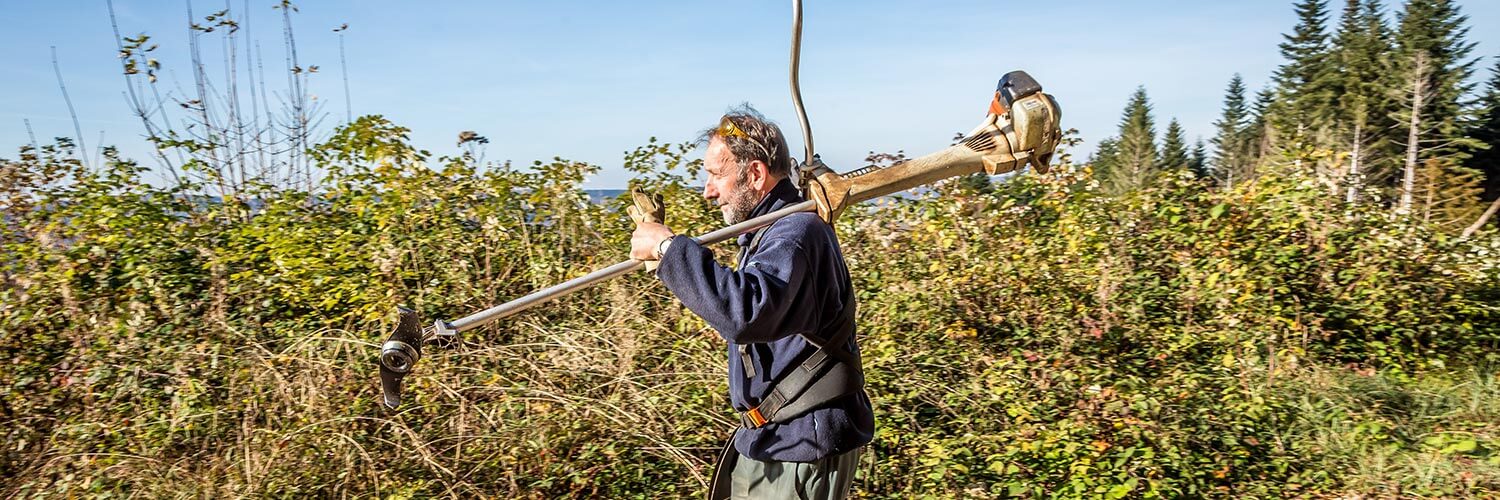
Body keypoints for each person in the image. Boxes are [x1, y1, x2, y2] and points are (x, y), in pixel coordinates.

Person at [630, 106, 874, 499]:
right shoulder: (775, 232)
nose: (708, 191)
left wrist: (668, 247)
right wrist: (670, 257)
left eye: (716, 175)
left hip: (800, 448)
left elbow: (745, 311)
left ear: (756, 174)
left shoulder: (795, 233)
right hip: (772, 438)